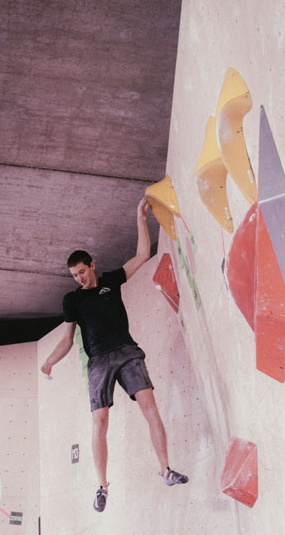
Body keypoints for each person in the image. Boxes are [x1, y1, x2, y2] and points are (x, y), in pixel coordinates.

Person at [41, 197, 189, 512]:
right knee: (100, 422)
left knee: (149, 407)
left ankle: (165, 470)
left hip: (126, 350)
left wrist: (140, 218)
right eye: (74, 275)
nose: (79, 278)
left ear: (92, 265)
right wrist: (50, 361)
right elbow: (67, 339)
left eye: (82, 271)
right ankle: (102, 487)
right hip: (98, 361)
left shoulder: (110, 281)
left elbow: (142, 255)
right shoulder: (72, 301)